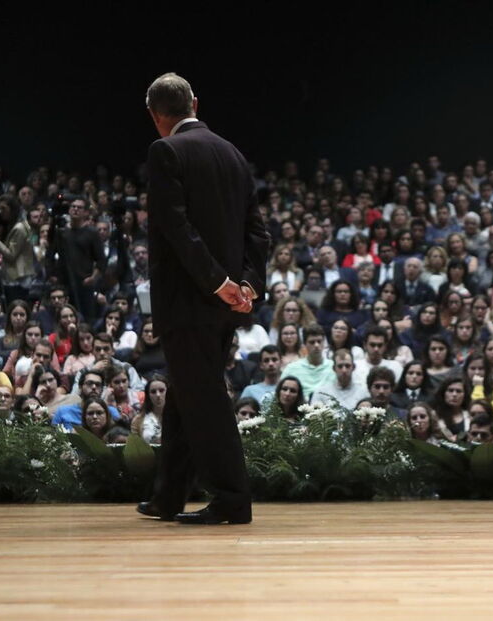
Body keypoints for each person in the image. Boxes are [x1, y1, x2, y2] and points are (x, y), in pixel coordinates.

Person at [137, 73, 269, 526]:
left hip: (190, 300)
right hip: (224, 305)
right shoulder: (233, 153)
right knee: (187, 392)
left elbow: (177, 230)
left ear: (156, 115)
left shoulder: (165, 151)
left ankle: (233, 499)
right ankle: (168, 495)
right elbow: (257, 230)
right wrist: (246, 284)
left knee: (204, 398)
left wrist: (218, 282)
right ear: (195, 102)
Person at [280, 325, 334, 401]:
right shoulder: (291, 368)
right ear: (305, 344)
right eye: (312, 342)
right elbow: (280, 393)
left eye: (319, 341)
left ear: (324, 343)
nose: (316, 345)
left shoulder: (334, 367)